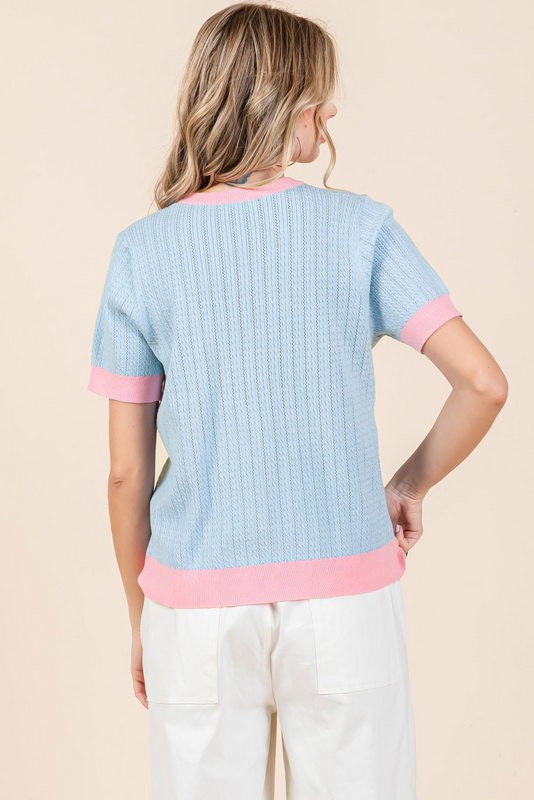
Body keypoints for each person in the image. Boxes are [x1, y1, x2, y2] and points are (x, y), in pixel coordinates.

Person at [87, 3, 508, 798]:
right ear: (284, 103)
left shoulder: (142, 252)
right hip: (347, 596)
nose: (332, 112)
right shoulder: (362, 230)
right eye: (320, 94)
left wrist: (142, 616)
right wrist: (407, 486)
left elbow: (123, 474)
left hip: (195, 606)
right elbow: (484, 384)